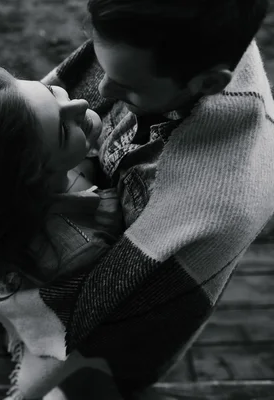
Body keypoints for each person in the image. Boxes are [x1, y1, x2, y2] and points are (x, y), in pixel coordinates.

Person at [34, 0, 274, 398]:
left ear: (209, 83)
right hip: (93, 218)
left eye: (127, 86)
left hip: (114, 330)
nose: (101, 91)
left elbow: (144, 312)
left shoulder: (222, 205)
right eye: (98, 60)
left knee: (99, 374)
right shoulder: (157, 39)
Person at [0, 66, 126, 399]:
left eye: (51, 91)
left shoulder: (12, 195)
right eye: (63, 130)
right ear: (35, 176)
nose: (77, 103)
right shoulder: (80, 247)